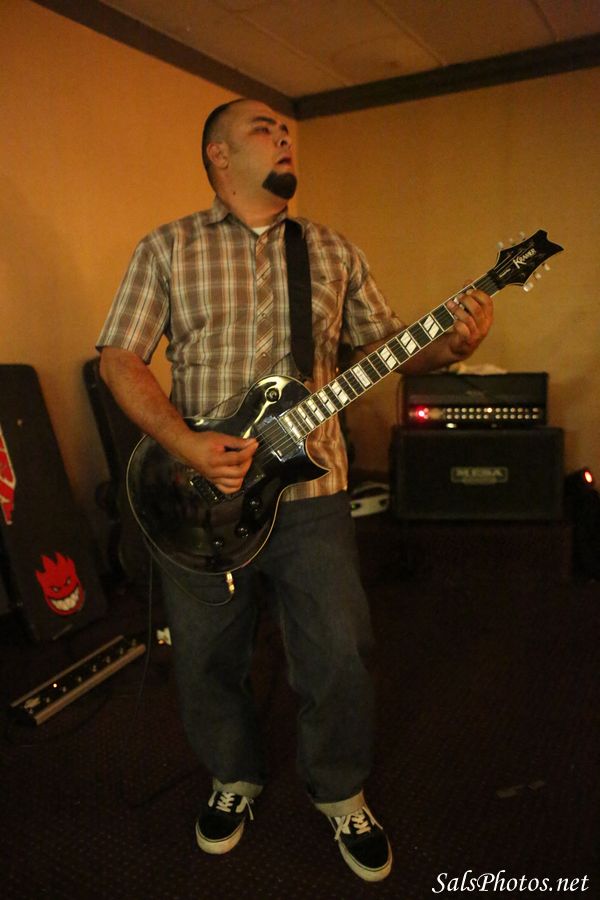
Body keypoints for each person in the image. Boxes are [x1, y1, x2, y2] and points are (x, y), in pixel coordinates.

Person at [97, 98, 493, 882]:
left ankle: (340, 788)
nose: (283, 136)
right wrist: (185, 442)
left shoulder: (333, 251)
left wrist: (445, 347)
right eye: (262, 128)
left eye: (286, 129)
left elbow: (385, 346)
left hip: (313, 496)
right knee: (206, 656)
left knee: (339, 652)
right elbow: (120, 358)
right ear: (218, 155)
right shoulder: (168, 247)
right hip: (198, 494)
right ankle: (233, 776)